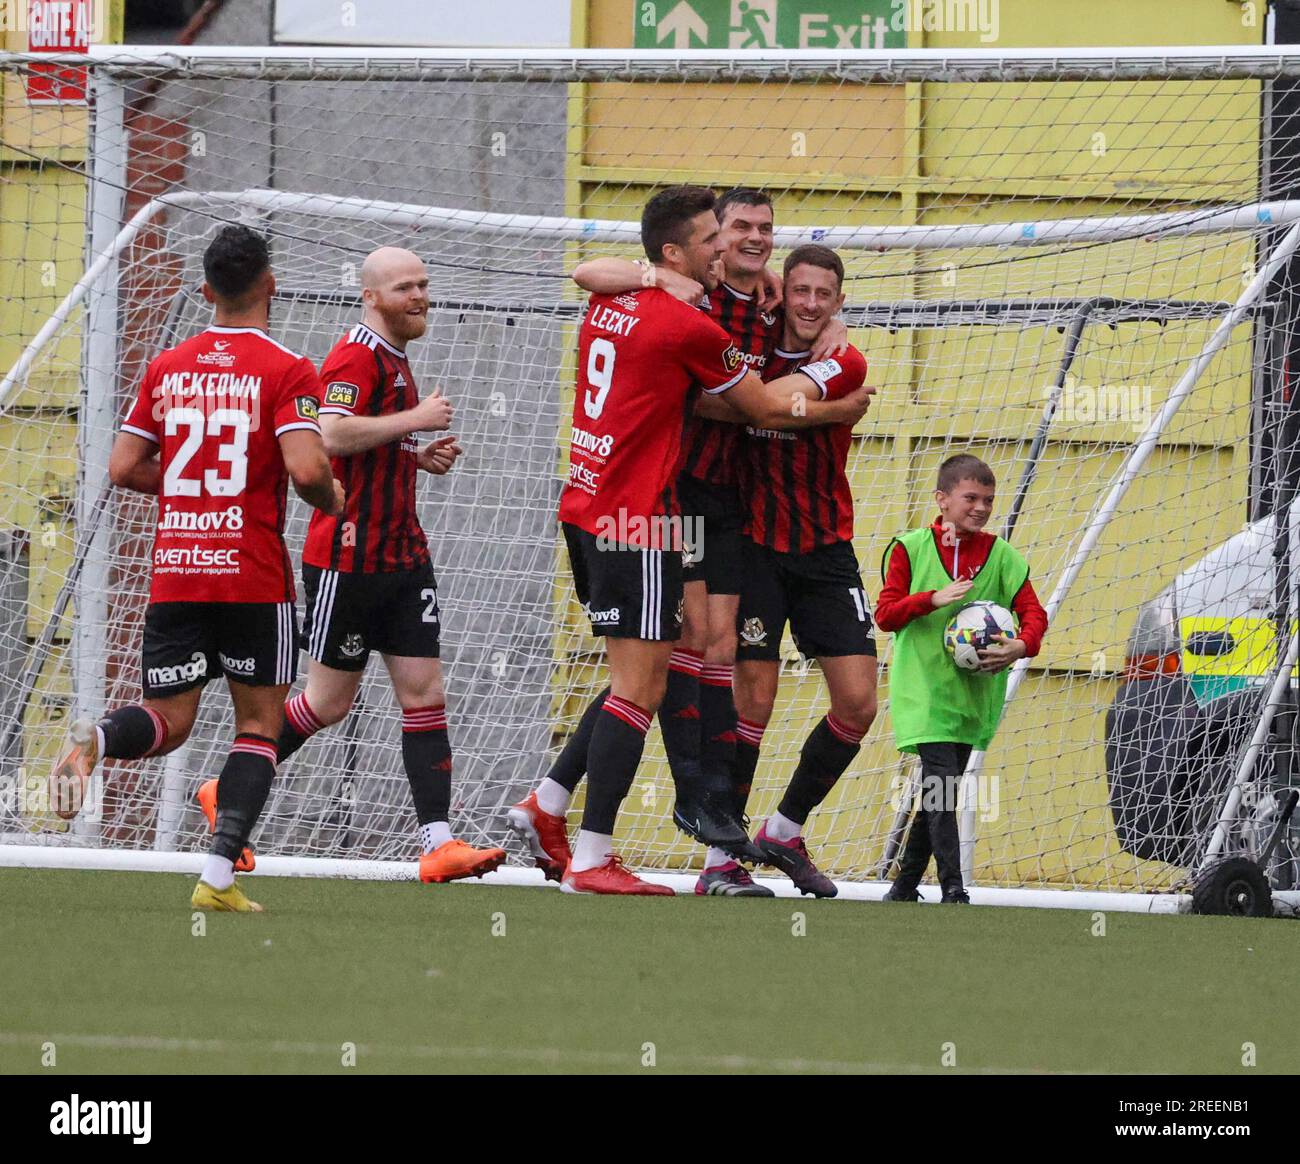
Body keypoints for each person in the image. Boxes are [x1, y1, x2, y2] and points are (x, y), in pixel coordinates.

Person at [505, 185, 874, 894]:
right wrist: (839, 409)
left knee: (677, 661)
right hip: (661, 502)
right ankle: (687, 814)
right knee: (687, 654)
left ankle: (557, 804)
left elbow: (595, 277)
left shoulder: (708, 299)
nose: (745, 240)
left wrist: (821, 341)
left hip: (653, 502)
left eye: (763, 229)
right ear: (695, 246)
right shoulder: (687, 313)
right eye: (729, 231)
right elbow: (751, 401)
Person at [48, 224, 344, 912]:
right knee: (259, 727)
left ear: (207, 290)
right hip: (251, 575)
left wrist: (191, 489)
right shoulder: (287, 368)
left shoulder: (168, 364)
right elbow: (305, 469)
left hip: (179, 567)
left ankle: (94, 739)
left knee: (169, 719)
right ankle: (216, 880)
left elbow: (124, 467)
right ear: (270, 283)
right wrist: (333, 496)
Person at [262, 246, 506, 884]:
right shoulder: (354, 355)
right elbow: (331, 435)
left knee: (425, 696)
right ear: (371, 296)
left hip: (403, 555)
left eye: (425, 284)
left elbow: (366, 444)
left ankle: (438, 844)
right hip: (348, 560)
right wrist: (418, 420)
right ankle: (229, 788)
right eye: (405, 287)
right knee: (326, 702)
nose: (421, 296)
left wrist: (413, 453)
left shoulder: (393, 356)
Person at [698, 244, 878, 896]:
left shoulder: (845, 358)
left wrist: (746, 399)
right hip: (754, 547)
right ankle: (721, 857)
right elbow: (749, 406)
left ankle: (782, 828)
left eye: (821, 295)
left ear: (838, 301)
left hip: (826, 549)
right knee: (754, 700)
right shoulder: (750, 345)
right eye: (797, 290)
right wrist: (822, 413)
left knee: (858, 704)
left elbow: (758, 403)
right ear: (784, 293)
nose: (808, 303)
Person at [874, 454, 1048, 903]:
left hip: (973, 694)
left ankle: (905, 885)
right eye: (971, 497)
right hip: (924, 690)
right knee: (944, 781)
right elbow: (886, 615)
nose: (982, 507)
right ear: (942, 499)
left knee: (939, 786)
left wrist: (1022, 645)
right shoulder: (909, 547)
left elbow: (1033, 612)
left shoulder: (1002, 555)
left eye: (989, 499)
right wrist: (932, 598)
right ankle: (953, 887)